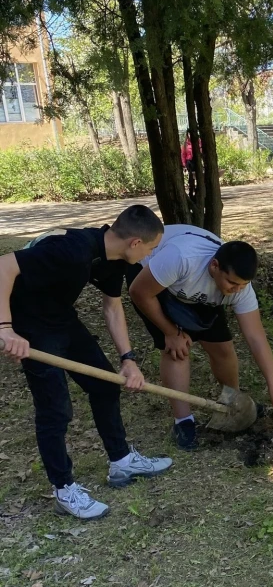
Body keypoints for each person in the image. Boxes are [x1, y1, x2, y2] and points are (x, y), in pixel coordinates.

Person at [0, 206, 173, 520]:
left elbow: (112, 307)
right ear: (135, 242)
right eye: (151, 248)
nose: (150, 255)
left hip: (61, 319)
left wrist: (128, 360)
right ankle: (64, 490)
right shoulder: (72, 249)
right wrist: (5, 328)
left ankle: (121, 461)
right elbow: (4, 267)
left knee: (106, 387)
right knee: (55, 410)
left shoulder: (114, 259)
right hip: (32, 326)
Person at [127, 225, 273, 450]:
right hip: (155, 284)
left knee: (222, 348)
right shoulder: (181, 257)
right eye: (233, 283)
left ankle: (234, 403)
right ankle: (183, 422)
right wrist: (171, 332)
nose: (237, 290)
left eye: (242, 285)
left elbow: (256, 337)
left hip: (200, 291)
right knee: (178, 350)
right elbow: (139, 292)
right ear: (214, 266)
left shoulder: (239, 289)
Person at [181, 130, 201, 202]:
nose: (190, 135)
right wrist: (184, 164)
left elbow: (201, 149)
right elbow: (183, 155)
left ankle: (198, 192)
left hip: (196, 161)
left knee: (199, 176)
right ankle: (191, 193)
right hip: (189, 162)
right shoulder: (185, 144)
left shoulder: (198, 142)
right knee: (191, 178)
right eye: (188, 134)